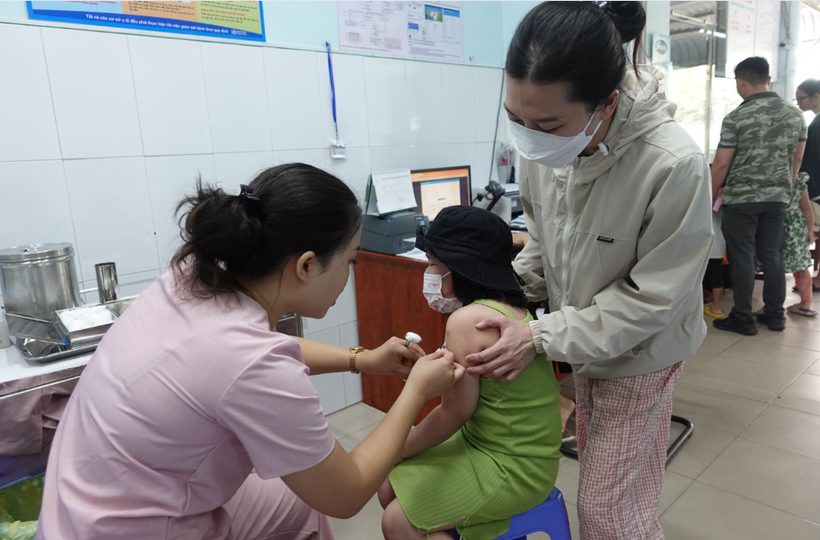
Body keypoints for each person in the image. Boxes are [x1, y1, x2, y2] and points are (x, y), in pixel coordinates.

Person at [36, 164, 464, 540]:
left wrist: (361, 359)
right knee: (317, 495)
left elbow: (249, 352)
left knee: (296, 505)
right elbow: (346, 492)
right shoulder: (250, 360)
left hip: (81, 501)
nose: (350, 275)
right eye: (350, 262)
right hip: (128, 528)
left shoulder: (196, 275)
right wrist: (415, 393)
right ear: (307, 265)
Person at [461, 3, 713, 539]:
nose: (529, 137)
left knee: (606, 509)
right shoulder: (545, 148)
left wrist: (538, 334)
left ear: (607, 104)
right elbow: (545, 244)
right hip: (578, 337)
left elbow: (653, 300)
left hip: (641, 352)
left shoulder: (672, 165)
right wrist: (486, 290)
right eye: (515, 119)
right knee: (620, 487)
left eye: (548, 124)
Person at [378, 206, 562, 540]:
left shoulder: (465, 320)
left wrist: (399, 449)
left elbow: (456, 410)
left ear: (459, 268)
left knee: (395, 518)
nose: (429, 272)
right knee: (390, 488)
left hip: (514, 465)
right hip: (509, 447)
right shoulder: (511, 307)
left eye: (434, 263)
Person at [710, 57, 807, 335]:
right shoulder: (794, 114)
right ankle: (775, 315)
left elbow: (721, 165)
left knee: (743, 257)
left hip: (742, 198)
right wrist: (783, 188)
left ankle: (742, 317)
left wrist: (709, 198)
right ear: (768, 78)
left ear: (740, 82)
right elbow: (797, 158)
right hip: (778, 197)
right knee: (773, 254)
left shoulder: (736, 117)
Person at [763, 172, 815, 317]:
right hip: (795, 225)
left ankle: (772, 304)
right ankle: (806, 302)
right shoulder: (797, 178)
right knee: (800, 265)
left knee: (772, 264)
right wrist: (809, 230)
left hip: (773, 222)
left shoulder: (767, 175)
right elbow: (806, 207)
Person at [797, 80, 820, 290]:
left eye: (801, 99)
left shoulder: (817, 124)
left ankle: (818, 278)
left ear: (816, 96)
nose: (799, 104)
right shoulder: (814, 122)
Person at [703, 207, 727, 319]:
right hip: (719, 240)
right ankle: (716, 307)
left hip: (704, 238)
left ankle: (714, 307)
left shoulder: (708, 195)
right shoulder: (725, 196)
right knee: (716, 275)